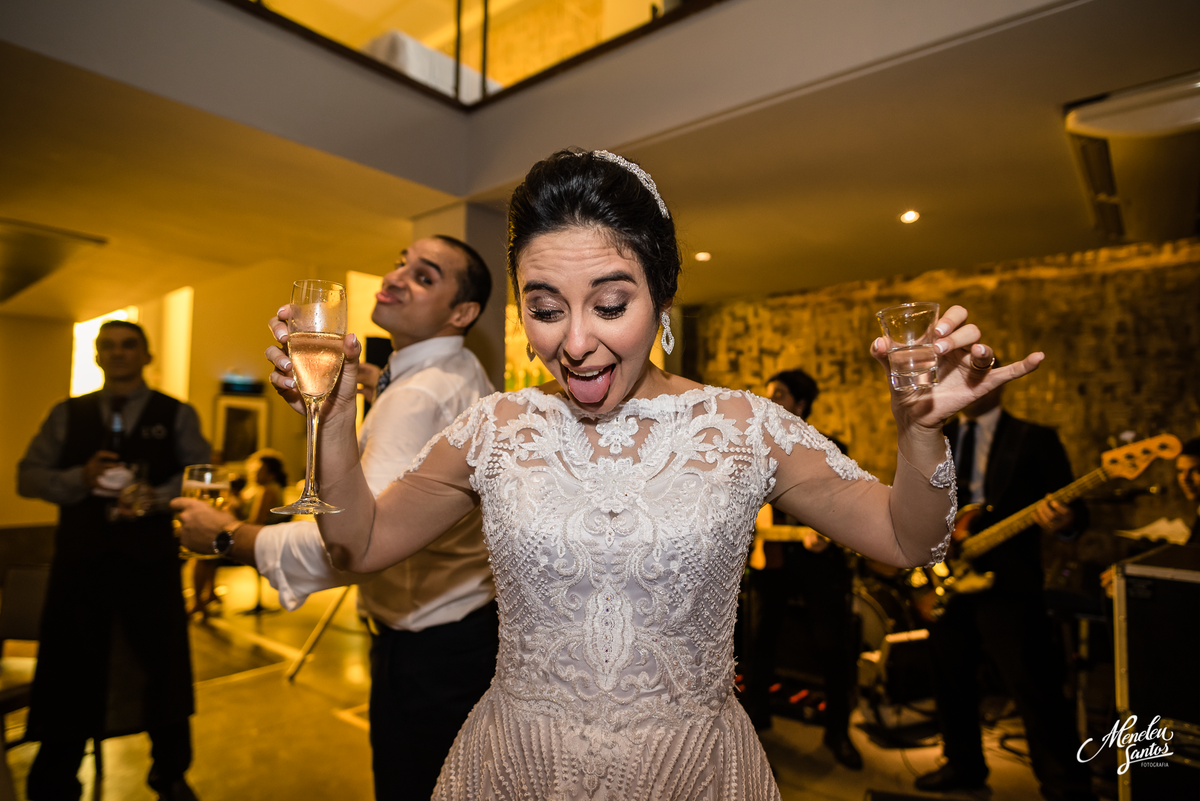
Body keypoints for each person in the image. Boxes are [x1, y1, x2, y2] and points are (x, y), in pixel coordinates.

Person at [243, 149, 1042, 799]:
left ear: (661, 296)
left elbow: (910, 538)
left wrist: (922, 432)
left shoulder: (742, 427)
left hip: (690, 770)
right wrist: (334, 418)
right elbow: (358, 543)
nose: (574, 342)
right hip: (519, 764)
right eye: (545, 308)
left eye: (610, 304)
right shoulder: (494, 428)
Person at [173, 236, 497, 800]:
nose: (395, 278)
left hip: (427, 657)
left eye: (424, 277)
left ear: (462, 313)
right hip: (467, 637)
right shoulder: (457, 372)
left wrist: (230, 537)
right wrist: (373, 385)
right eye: (400, 263)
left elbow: (358, 540)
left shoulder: (418, 396)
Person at [18, 320, 210, 801]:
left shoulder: (176, 413)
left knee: (163, 666)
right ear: (97, 356)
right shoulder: (67, 414)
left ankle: (170, 773)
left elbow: (202, 475)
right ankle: (55, 778)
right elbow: (28, 477)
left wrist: (155, 496)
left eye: (128, 345)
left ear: (147, 355)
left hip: (150, 566)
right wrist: (78, 479)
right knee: (67, 668)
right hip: (79, 567)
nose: (118, 353)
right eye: (108, 346)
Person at [914, 379, 1097, 800]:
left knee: (1034, 682)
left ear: (999, 384)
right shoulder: (937, 438)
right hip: (948, 576)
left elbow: (1077, 512)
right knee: (949, 677)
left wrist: (1066, 521)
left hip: (1010, 582)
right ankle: (963, 765)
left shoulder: (1035, 439)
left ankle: (1066, 784)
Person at [742, 368, 863, 769]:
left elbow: (846, 503)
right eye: (768, 393)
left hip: (818, 566)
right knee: (758, 647)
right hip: (770, 562)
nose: (769, 400)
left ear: (800, 404)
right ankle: (755, 730)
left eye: (778, 394)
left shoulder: (828, 448)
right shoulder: (755, 451)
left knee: (834, 649)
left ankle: (838, 733)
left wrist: (828, 529)